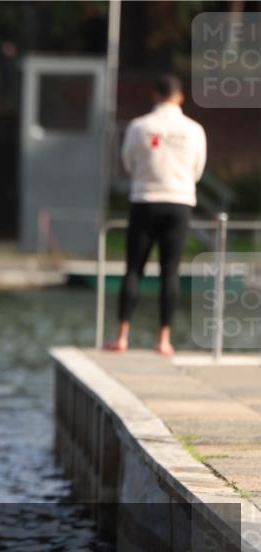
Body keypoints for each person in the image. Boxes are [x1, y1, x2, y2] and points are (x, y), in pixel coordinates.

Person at [106, 74, 207, 356]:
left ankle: (122, 337)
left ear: (154, 95)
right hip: (179, 202)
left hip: (145, 200)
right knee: (170, 272)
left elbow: (128, 162)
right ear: (181, 97)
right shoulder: (194, 129)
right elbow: (197, 169)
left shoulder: (139, 126)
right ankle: (164, 340)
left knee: (134, 269)